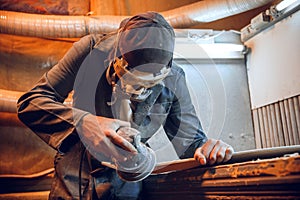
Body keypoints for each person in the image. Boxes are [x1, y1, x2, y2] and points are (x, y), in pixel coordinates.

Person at [17, 12, 234, 200]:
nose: (138, 92)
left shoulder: (174, 78)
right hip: (76, 176)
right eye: (131, 79)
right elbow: (31, 102)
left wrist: (208, 149)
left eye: (148, 84)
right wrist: (85, 122)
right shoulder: (91, 51)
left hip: (127, 183)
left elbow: (190, 144)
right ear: (117, 58)